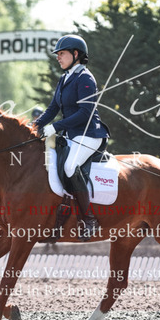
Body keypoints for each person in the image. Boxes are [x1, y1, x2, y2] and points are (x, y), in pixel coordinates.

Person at [33, 34, 110, 241]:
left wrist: (55, 127)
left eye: (62, 53)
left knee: (69, 166)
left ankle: (89, 219)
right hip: (72, 135)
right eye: (57, 54)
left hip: (89, 134)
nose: (58, 57)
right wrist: (35, 126)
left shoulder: (85, 78)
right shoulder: (64, 78)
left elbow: (85, 112)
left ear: (76, 54)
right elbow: (52, 108)